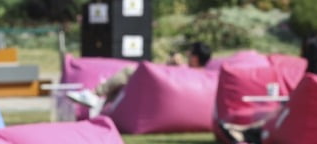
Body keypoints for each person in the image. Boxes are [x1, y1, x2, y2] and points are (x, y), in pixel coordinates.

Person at [65, 41, 212, 118]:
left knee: (130, 71)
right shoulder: (201, 76)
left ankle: (95, 95)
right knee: (125, 86)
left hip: (156, 95)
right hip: (155, 94)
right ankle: (99, 103)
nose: (187, 54)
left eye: (190, 53)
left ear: (195, 57)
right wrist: (171, 64)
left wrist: (175, 66)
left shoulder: (193, 74)